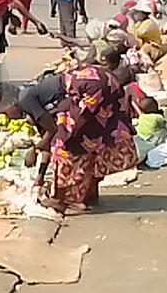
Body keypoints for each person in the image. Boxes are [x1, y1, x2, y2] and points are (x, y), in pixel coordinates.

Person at [28, 64, 138, 213]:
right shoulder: (91, 78)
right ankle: (89, 193)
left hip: (94, 116)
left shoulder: (91, 86)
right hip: (103, 119)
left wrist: (66, 136)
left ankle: (64, 199)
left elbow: (82, 116)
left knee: (66, 150)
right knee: (94, 150)